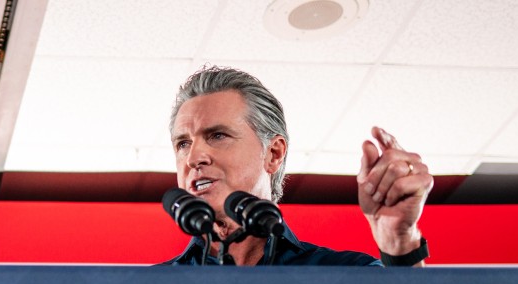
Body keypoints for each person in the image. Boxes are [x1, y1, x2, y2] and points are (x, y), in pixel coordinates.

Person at [163, 66, 433, 267]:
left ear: (274, 153)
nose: (193, 157)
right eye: (183, 143)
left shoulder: (346, 275)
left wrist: (400, 242)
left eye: (217, 136)